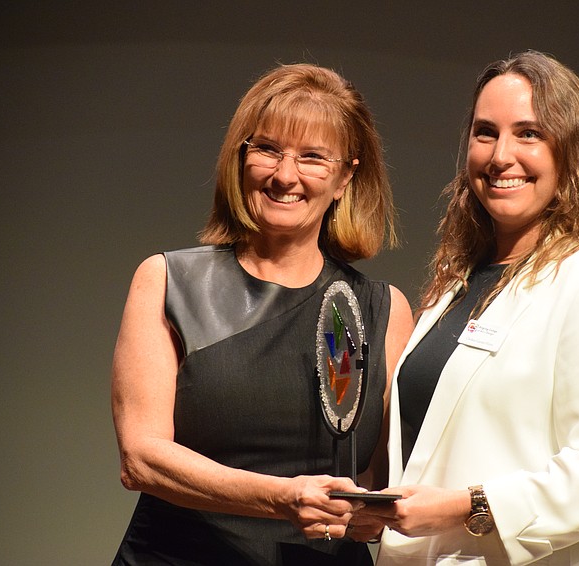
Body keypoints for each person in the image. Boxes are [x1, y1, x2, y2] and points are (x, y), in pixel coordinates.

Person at [359, 51, 579, 565]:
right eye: (485, 132)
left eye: (529, 133)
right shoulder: (456, 286)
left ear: (571, 152)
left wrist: (466, 508)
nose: (501, 155)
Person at [110, 63, 414, 565]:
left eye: (313, 157)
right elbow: (141, 459)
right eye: (268, 149)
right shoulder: (167, 281)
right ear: (242, 157)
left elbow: (382, 482)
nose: (285, 175)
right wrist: (282, 499)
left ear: (345, 178)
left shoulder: (382, 309)